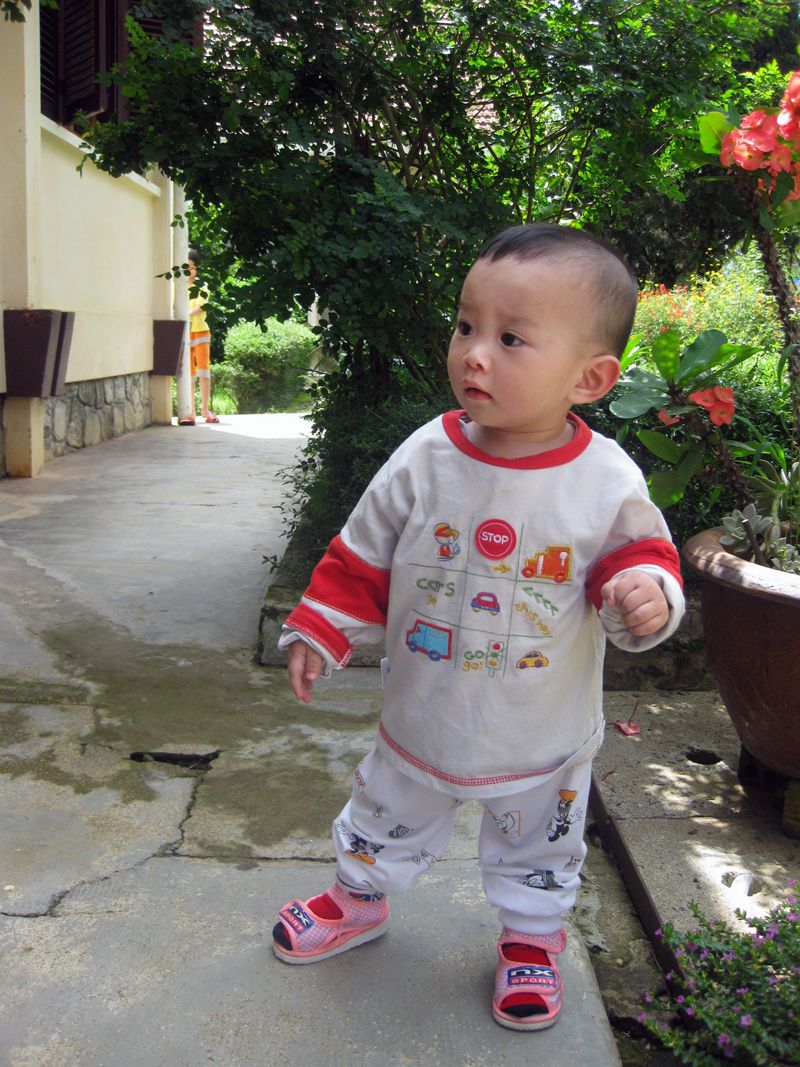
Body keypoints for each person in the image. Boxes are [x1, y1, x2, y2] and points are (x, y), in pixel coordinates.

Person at [272, 223, 685, 1032]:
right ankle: (358, 898)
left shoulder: (604, 480)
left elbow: (641, 559)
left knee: (541, 844)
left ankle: (531, 941)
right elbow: (363, 551)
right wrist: (323, 627)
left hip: (542, 731)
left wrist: (647, 594)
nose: (474, 352)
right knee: (384, 807)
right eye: (466, 326)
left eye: (510, 337)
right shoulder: (428, 454)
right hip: (424, 712)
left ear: (591, 377)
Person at [178, 248, 219, 425]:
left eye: (191, 267)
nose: (188, 271)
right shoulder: (177, 287)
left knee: (203, 371)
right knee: (189, 372)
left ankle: (205, 410)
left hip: (201, 331)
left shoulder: (202, 286)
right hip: (185, 333)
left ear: (196, 269)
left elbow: (202, 306)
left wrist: (187, 313)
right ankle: (191, 411)